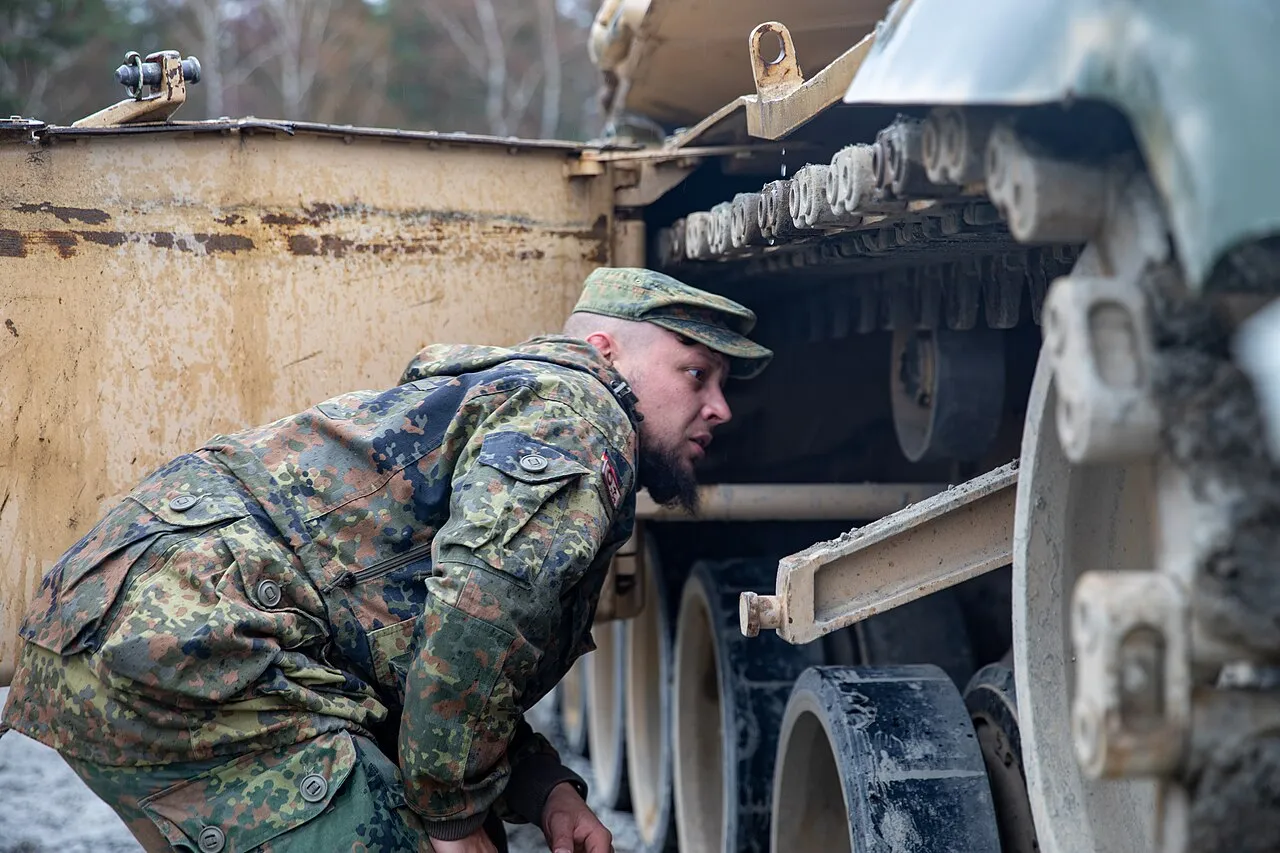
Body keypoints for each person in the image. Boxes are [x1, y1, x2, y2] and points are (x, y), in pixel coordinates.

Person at [0, 267, 772, 853]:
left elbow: (417, 642)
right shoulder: (581, 414)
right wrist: (454, 817)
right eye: (695, 373)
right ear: (604, 351)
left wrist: (543, 790)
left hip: (137, 629)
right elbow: (477, 619)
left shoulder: (518, 398)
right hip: (193, 643)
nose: (721, 407)